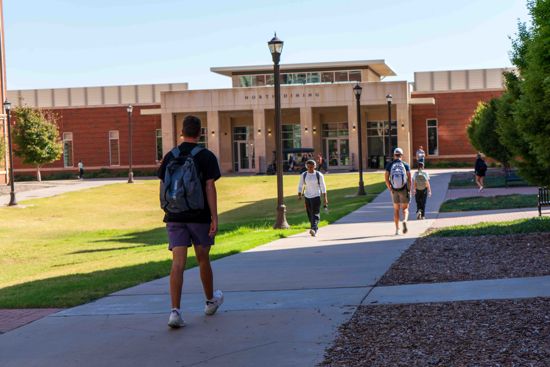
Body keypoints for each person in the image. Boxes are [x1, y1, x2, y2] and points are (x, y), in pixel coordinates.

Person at [158, 115, 223, 329]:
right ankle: (210, 301)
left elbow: (164, 185)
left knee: (177, 263)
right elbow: (209, 187)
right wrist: (214, 216)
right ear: (200, 133)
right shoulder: (206, 156)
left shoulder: (170, 156)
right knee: (203, 259)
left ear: (182, 132)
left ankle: (175, 312)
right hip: (199, 216)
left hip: (175, 215)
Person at [385, 147, 412, 235]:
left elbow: (386, 178)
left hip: (394, 189)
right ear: (401, 155)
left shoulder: (390, 165)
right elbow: (409, 179)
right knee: (405, 209)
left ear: (394, 155)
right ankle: (404, 220)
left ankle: (397, 230)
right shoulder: (405, 165)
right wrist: (409, 189)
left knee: (396, 210)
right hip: (403, 189)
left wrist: (390, 188)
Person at [297, 159, 328, 237]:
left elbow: (323, 187)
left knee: (315, 213)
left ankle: (314, 229)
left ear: (315, 166)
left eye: (312, 167)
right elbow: (300, 185)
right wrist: (299, 194)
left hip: (316, 196)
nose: (310, 168)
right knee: (309, 213)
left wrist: (325, 198)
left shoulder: (319, 175)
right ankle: (313, 228)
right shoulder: (304, 175)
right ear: (306, 167)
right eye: (308, 167)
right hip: (307, 196)